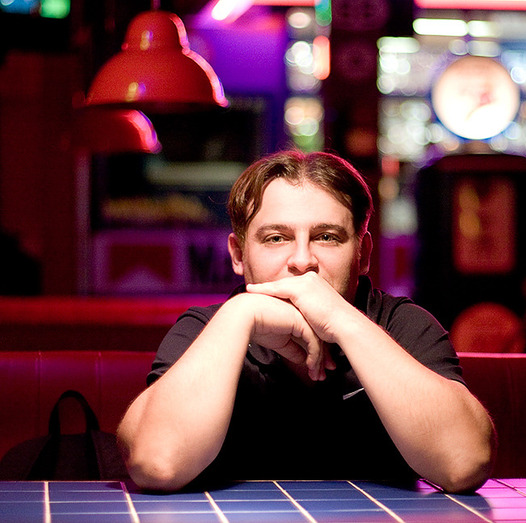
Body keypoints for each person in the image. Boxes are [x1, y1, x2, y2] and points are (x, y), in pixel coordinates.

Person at [117, 150, 495, 493]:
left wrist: (340, 318)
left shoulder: (401, 325)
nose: (302, 261)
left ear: (362, 255)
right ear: (238, 255)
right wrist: (240, 314)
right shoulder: (207, 329)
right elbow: (157, 463)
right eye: (276, 238)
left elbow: (464, 463)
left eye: (326, 237)